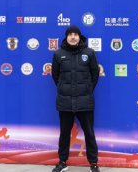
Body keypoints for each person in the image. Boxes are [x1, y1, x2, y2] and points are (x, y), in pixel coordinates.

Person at [51, 25, 100, 172]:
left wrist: (87, 89)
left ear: (80, 37)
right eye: (70, 34)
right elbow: (55, 76)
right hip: (65, 101)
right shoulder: (58, 54)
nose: (73, 37)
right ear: (66, 37)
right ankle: (62, 162)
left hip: (85, 101)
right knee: (64, 133)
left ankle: (93, 163)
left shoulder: (89, 53)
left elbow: (95, 74)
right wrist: (63, 88)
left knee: (89, 133)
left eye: (76, 34)